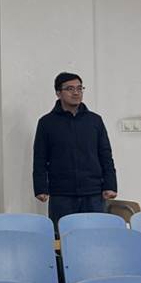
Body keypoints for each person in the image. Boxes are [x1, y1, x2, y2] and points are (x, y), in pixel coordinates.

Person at [33, 72, 117, 229]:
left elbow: (105, 154)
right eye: (70, 89)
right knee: (63, 236)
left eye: (79, 88)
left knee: (95, 235)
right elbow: (40, 158)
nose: (76, 93)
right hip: (61, 194)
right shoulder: (47, 122)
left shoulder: (94, 120)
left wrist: (110, 184)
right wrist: (40, 187)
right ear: (58, 93)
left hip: (93, 192)